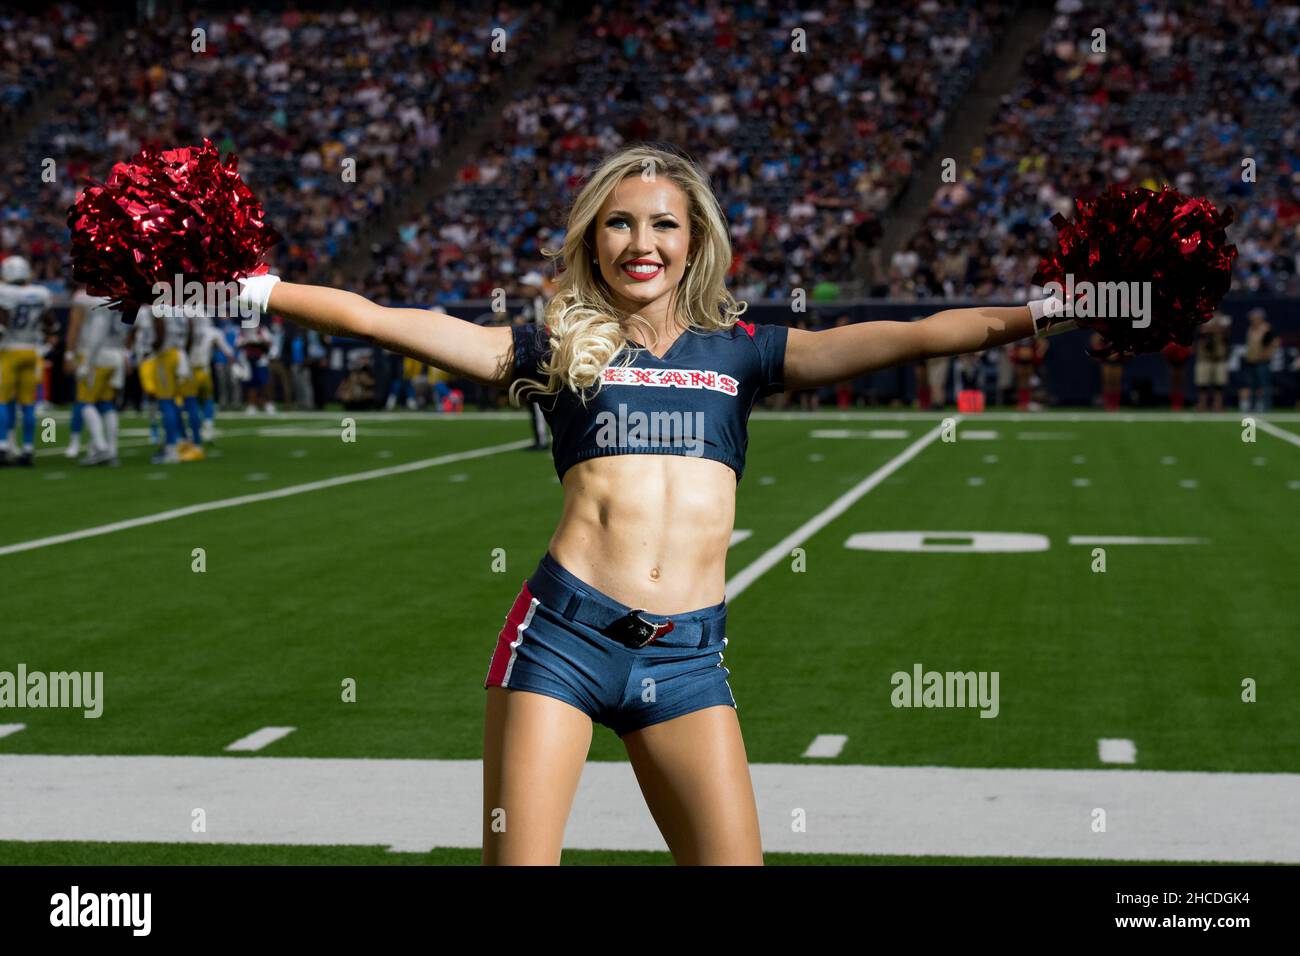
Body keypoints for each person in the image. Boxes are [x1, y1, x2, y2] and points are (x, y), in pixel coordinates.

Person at [232, 144, 1076, 865]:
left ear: (696, 239)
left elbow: (923, 333)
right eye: (621, 223)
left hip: (687, 662)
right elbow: (379, 320)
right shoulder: (557, 348)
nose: (643, 243)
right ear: (593, 242)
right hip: (561, 642)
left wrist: (1062, 309)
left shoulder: (747, 353)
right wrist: (242, 288)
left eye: (664, 224)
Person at [0, 256, 54, 466]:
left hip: (10, 350)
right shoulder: (40, 293)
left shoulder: (5, 292)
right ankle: (28, 449)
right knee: (28, 403)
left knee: (3, 400)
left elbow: (3, 322)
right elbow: (51, 324)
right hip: (32, 351)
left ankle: (3, 446)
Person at [1239, 308, 1277, 412]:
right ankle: (1252, 405)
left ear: (1259, 318)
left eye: (1254, 317)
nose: (1252, 319)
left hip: (1262, 361)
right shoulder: (1250, 328)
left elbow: (1273, 343)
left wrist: (1266, 355)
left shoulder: (1266, 328)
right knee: (1252, 385)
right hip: (1251, 360)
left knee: (1264, 384)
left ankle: (1266, 406)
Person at [1194, 311, 1231, 412]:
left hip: (1220, 355)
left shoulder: (1224, 318)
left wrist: (1211, 328)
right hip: (1204, 355)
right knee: (1202, 383)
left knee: (1220, 383)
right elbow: (1202, 330)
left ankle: (1218, 404)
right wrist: (1215, 328)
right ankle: (1202, 404)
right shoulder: (1203, 316)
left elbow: (1226, 330)